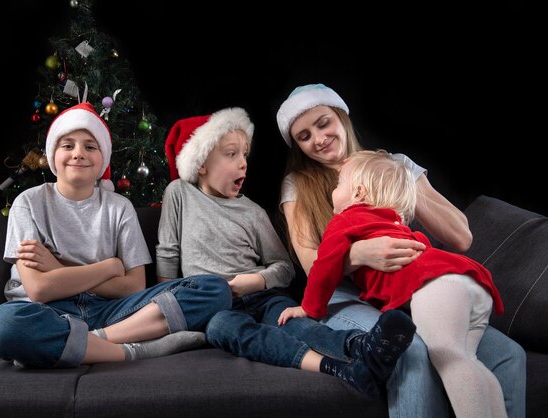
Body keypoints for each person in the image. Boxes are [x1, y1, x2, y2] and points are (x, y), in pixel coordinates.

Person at [276, 83, 526, 417]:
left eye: (323, 123)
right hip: (344, 295)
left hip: (406, 290)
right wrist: (364, 254)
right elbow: (311, 264)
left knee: (510, 355)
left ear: (341, 118)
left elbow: (461, 236)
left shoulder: (392, 166)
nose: (318, 139)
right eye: (304, 136)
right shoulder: (298, 184)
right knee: (411, 348)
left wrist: (398, 179)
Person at [157, 107, 416, 398]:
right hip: (217, 305)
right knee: (220, 328)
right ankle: (337, 368)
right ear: (201, 162)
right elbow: (168, 252)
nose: (243, 164)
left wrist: (255, 282)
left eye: (245, 155)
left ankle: (358, 346)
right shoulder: (178, 193)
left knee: (296, 324)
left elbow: (284, 267)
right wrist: (170, 304)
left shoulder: (252, 212)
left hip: (264, 296)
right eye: (232, 154)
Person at [0, 102, 232, 368]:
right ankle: (132, 351)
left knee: (214, 289)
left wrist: (57, 267)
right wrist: (110, 267)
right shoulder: (28, 203)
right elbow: (40, 289)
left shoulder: (118, 207)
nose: (78, 154)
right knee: (2, 326)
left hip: (110, 312)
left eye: (90, 146)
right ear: (53, 154)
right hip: (49, 312)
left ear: (103, 158)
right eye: (68, 145)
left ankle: (88, 342)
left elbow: (133, 287)